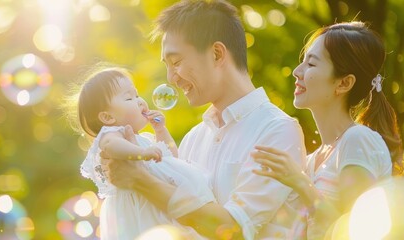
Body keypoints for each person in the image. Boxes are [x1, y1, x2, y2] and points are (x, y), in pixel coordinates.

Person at [103, 1, 307, 239]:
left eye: (176, 62)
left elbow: (234, 229)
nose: (171, 78)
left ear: (216, 53)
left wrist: (140, 180)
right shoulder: (193, 139)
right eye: (167, 66)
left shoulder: (276, 130)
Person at [252, 21, 403, 239]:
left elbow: (358, 230)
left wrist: (300, 182)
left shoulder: (357, 140)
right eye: (302, 62)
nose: (297, 72)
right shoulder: (313, 159)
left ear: (344, 83)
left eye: (311, 64)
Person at [69, 65, 216, 239]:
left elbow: (172, 156)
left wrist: (160, 130)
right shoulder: (112, 134)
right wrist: (141, 153)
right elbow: (111, 146)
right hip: (139, 206)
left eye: (137, 95)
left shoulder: (145, 139)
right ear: (108, 117)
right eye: (129, 98)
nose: (139, 101)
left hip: (160, 201)